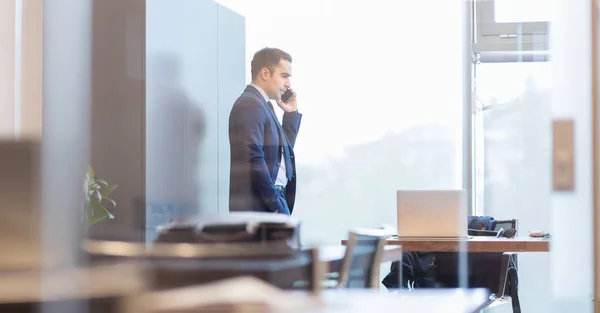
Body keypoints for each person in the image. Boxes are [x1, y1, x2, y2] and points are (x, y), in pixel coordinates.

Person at [228, 47, 302, 215]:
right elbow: (252, 158)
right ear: (265, 73)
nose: (288, 84)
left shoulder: (263, 105)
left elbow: (281, 153)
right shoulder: (251, 104)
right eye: (284, 76)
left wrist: (291, 114)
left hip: (269, 202)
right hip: (262, 207)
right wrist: (274, 204)